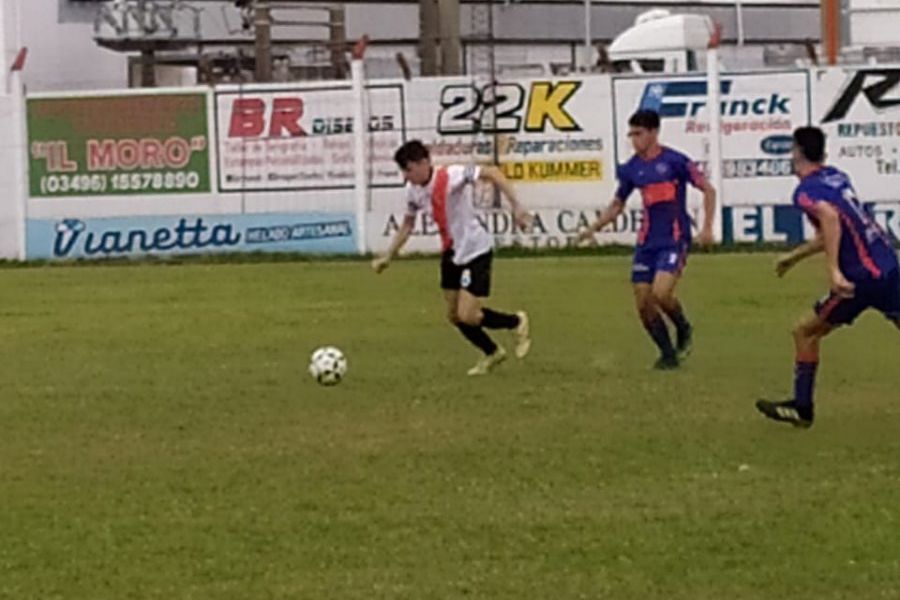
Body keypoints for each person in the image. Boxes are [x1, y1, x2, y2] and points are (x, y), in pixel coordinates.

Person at [756, 126, 900, 428]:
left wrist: (834, 271)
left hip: (860, 279)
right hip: (887, 263)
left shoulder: (805, 191)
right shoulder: (836, 175)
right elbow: (834, 230)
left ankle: (802, 408)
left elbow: (831, 219)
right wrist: (793, 258)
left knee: (804, 331)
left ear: (796, 152)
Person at [372, 140, 532, 376]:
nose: (406, 176)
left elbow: (492, 172)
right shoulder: (412, 191)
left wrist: (516, 206)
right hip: (451, 252)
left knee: (469, 315)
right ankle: (492, 352)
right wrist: (388, 255)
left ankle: (516, 322)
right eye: (403, 171)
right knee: (454, 315)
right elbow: (408, 224)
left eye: (408, 169)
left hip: (475, 249)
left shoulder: (451, 176)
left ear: (423, 163)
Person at [577, 109, 717, 369]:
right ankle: (667, 354)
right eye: (631, 134)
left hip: (674, 237)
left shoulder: (675, 161)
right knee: (643, 303)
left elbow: (708, 189)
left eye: (639, 133)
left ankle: (683, 328)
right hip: (647, 242)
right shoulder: (632, 168)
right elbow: (618, 203)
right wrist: (594, 227)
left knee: (661, 293)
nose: (634, 139)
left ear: (654, 132)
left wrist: (707, 227)